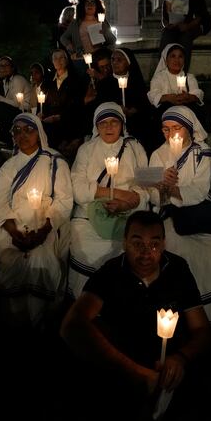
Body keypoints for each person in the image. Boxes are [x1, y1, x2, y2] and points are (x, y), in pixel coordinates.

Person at [60, 211, 211, 420]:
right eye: (137, 243)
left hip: (170, 373)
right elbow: (71, 325)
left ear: (164, 244)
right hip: (123, 375)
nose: (146, 253)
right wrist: (136, 373)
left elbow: (202, 329)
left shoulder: (177, 269)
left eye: (154, 244)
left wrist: (181, 358)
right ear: (124, 243)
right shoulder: (112, 273)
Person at [0, 112, 73, 327]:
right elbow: (0, 204)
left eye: (29, 130)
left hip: (46, 225)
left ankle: (41, 322)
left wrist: (43, 231)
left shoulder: (54, 162)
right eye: (17, 131)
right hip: (14, 226)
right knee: (11, 259)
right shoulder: (8, 167)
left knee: (40, 257)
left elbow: (64, 200)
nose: (22, 135)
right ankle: (16, 323)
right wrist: (14, 232)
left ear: (39, 133)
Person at [149, 106, 211, 324]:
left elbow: (200, 191)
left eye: (177, 128)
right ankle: (179, 315)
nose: (171, 134)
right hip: (170, 216)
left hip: (200, 216)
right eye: (165, 129)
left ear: (189, 128)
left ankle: (210, 316)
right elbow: (154, 197)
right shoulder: (158, 154)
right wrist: (162, 185)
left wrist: (172, 188)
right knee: (176, 248)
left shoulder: (202, 153)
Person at [68, 103, 149, 299]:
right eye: (103, 123)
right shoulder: (86, 150)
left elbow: (146, 185)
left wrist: (131, 201)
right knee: (86, 248)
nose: (109, 127)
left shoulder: (135, 147)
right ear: (96, 127)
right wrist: (118, 195)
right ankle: (86, 306)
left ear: (122, 124)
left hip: (129, 211)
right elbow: (78, 189)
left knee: (126, 250)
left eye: (114, 122)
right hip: (90, 213)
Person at [160, 0, 211, 66]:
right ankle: (164, 68)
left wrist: (187, 26)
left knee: (185, 38)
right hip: (175, 27)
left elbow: (200, 17)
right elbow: (165, 18)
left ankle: (182, 71)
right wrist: (167, 25)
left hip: (192, 26)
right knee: (166, 36)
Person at [40, 49, 85, 158]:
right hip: (49, 122)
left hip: (68, 122)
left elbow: (77, 104)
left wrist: (60, 116)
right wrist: (41, 113)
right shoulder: (48, 81)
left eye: (61, 58)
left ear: (67, 60)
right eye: (55, 58)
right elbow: (42, 100)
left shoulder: (75, 80)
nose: (58, 61)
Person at [147, 43, 205, 123]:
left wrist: (188, 97)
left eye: (180, 56)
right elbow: (153, 95)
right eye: (173, 56)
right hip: (166, 114)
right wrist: (169, 98)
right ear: (166, 59)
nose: (177, 60)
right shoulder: (158, 77)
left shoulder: (189, 77)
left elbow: (197, 93)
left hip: (186, 114)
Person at [0, 56, 30, 147]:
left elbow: (16, 104)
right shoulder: (5, 82)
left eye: (6, 65)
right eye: (1, 66)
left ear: (12, 68)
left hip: (25, 111)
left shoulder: (17, 79)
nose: (3, 68)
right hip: (16, 111)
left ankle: (4, 139)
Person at [60, 0, 116, 66]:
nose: (90, 4)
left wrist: (105, 33)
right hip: (80, 60)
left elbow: (112, 40)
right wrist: (69, 45)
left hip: (98, 61)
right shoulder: (75, 23)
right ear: (83, 6)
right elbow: (63, 37)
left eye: (93, 2)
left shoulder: (102, 21)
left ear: (97, 6)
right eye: (87, 2)